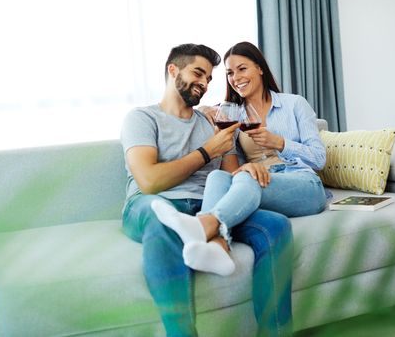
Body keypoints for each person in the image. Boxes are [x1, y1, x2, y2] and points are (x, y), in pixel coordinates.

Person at [121, 43, 293, 336]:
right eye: (198, 73)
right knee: (159, 217)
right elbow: (149, 181)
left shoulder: (210, 122)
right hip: (156, 202)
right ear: (172, 70)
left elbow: (228, 176)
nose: (204, 83)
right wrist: (205, 151)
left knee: (275, 225)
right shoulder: (143, 118)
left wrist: (245, 170)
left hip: (207, 207)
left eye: (209, 78)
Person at [200, 41, 328, 218]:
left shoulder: (295, 104)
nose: (235, 78)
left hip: (301, 181)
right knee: (216, 177)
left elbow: (319, 159)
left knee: (246, 179)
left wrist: (279, 143)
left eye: (242, 69)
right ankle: (205, 236)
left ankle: (205, 226)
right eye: (230, 73)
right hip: (258, 181)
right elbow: (232, 171)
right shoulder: (232, 114)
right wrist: (204, 111)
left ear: (260, 68)